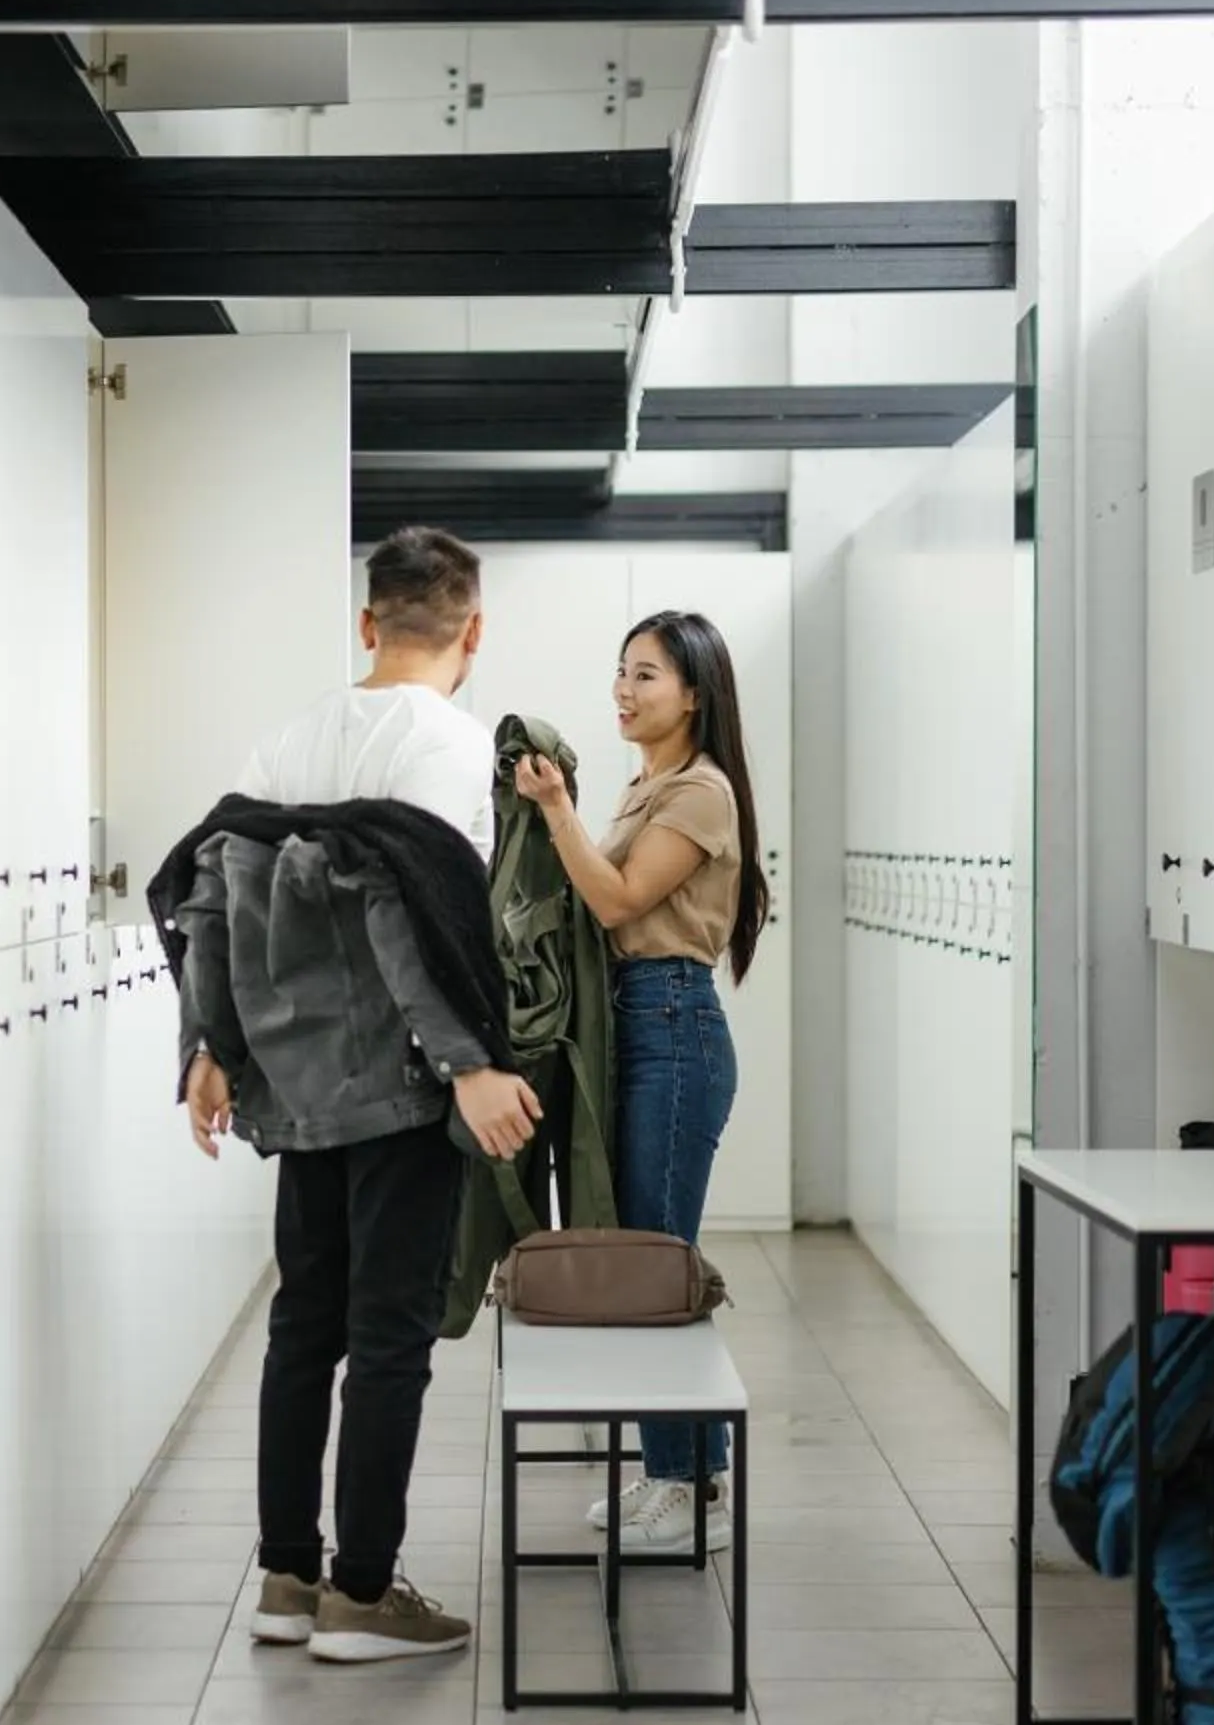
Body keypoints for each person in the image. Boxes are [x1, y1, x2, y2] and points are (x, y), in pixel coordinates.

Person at [151, 525, 545, 1664]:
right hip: (400, 1087)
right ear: (472, 632)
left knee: (301, 1328)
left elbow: (211, 899)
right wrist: (470, 1061)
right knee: (387, 1337)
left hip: (293, 1084)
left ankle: (287, 1574)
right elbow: (406, 909)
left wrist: (209, 1047)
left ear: (368, 622)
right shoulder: (450, 743)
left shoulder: (288, 742)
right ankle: (363, 1591)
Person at [515, 609, 771, 1557]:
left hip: (672, 1024)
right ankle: (679, 1469)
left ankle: (687, 1482)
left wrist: (555, 811)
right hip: (635, 1022)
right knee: (640, 1257)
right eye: (621, 672)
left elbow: (618, 901)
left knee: (658, 1265)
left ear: (695, 693)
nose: (624, 690)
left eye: (648, 676)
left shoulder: (701, 794)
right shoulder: (643, 787)